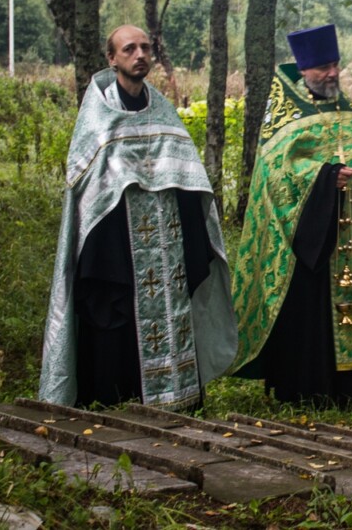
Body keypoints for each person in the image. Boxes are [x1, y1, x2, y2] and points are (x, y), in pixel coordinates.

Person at [39, 25, 236, 411]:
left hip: (169, 247)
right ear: (112, 59)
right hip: (115, 250)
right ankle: (119, 401)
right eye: (129, 49)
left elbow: (188, 176)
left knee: (172, 312)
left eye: (146, 47)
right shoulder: (97, 117)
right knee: (117, 320)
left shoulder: (163, 111)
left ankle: (178, 400)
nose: (140, 55)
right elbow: (87, 190)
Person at [230, 24, 352, 406]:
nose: (332, 74)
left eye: (335, 65)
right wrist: (325, 177)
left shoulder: (349, 110)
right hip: (307, 242)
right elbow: (276, 175)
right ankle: (308, 387)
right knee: (310, 312)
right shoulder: (284, 119)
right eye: (323, 67)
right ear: (303, 70)